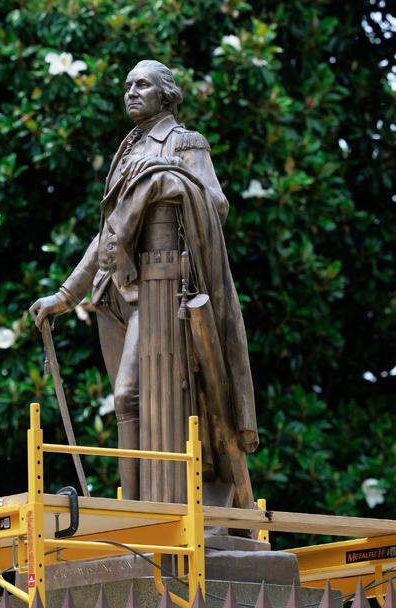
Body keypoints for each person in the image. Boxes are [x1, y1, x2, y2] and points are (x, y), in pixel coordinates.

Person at [30, 60, 257, 503]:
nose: (131, 92)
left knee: (130, 393)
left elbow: (216, 204)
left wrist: (167, 179)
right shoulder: (128, 148)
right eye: (128, 85)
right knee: (131, 404)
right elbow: (110, 232)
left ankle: (146, 510)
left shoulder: (183, 141)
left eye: (143, 85)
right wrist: (64, 295)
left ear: (166, 94)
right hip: (116, 296)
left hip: (165, 290)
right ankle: (136, 509)